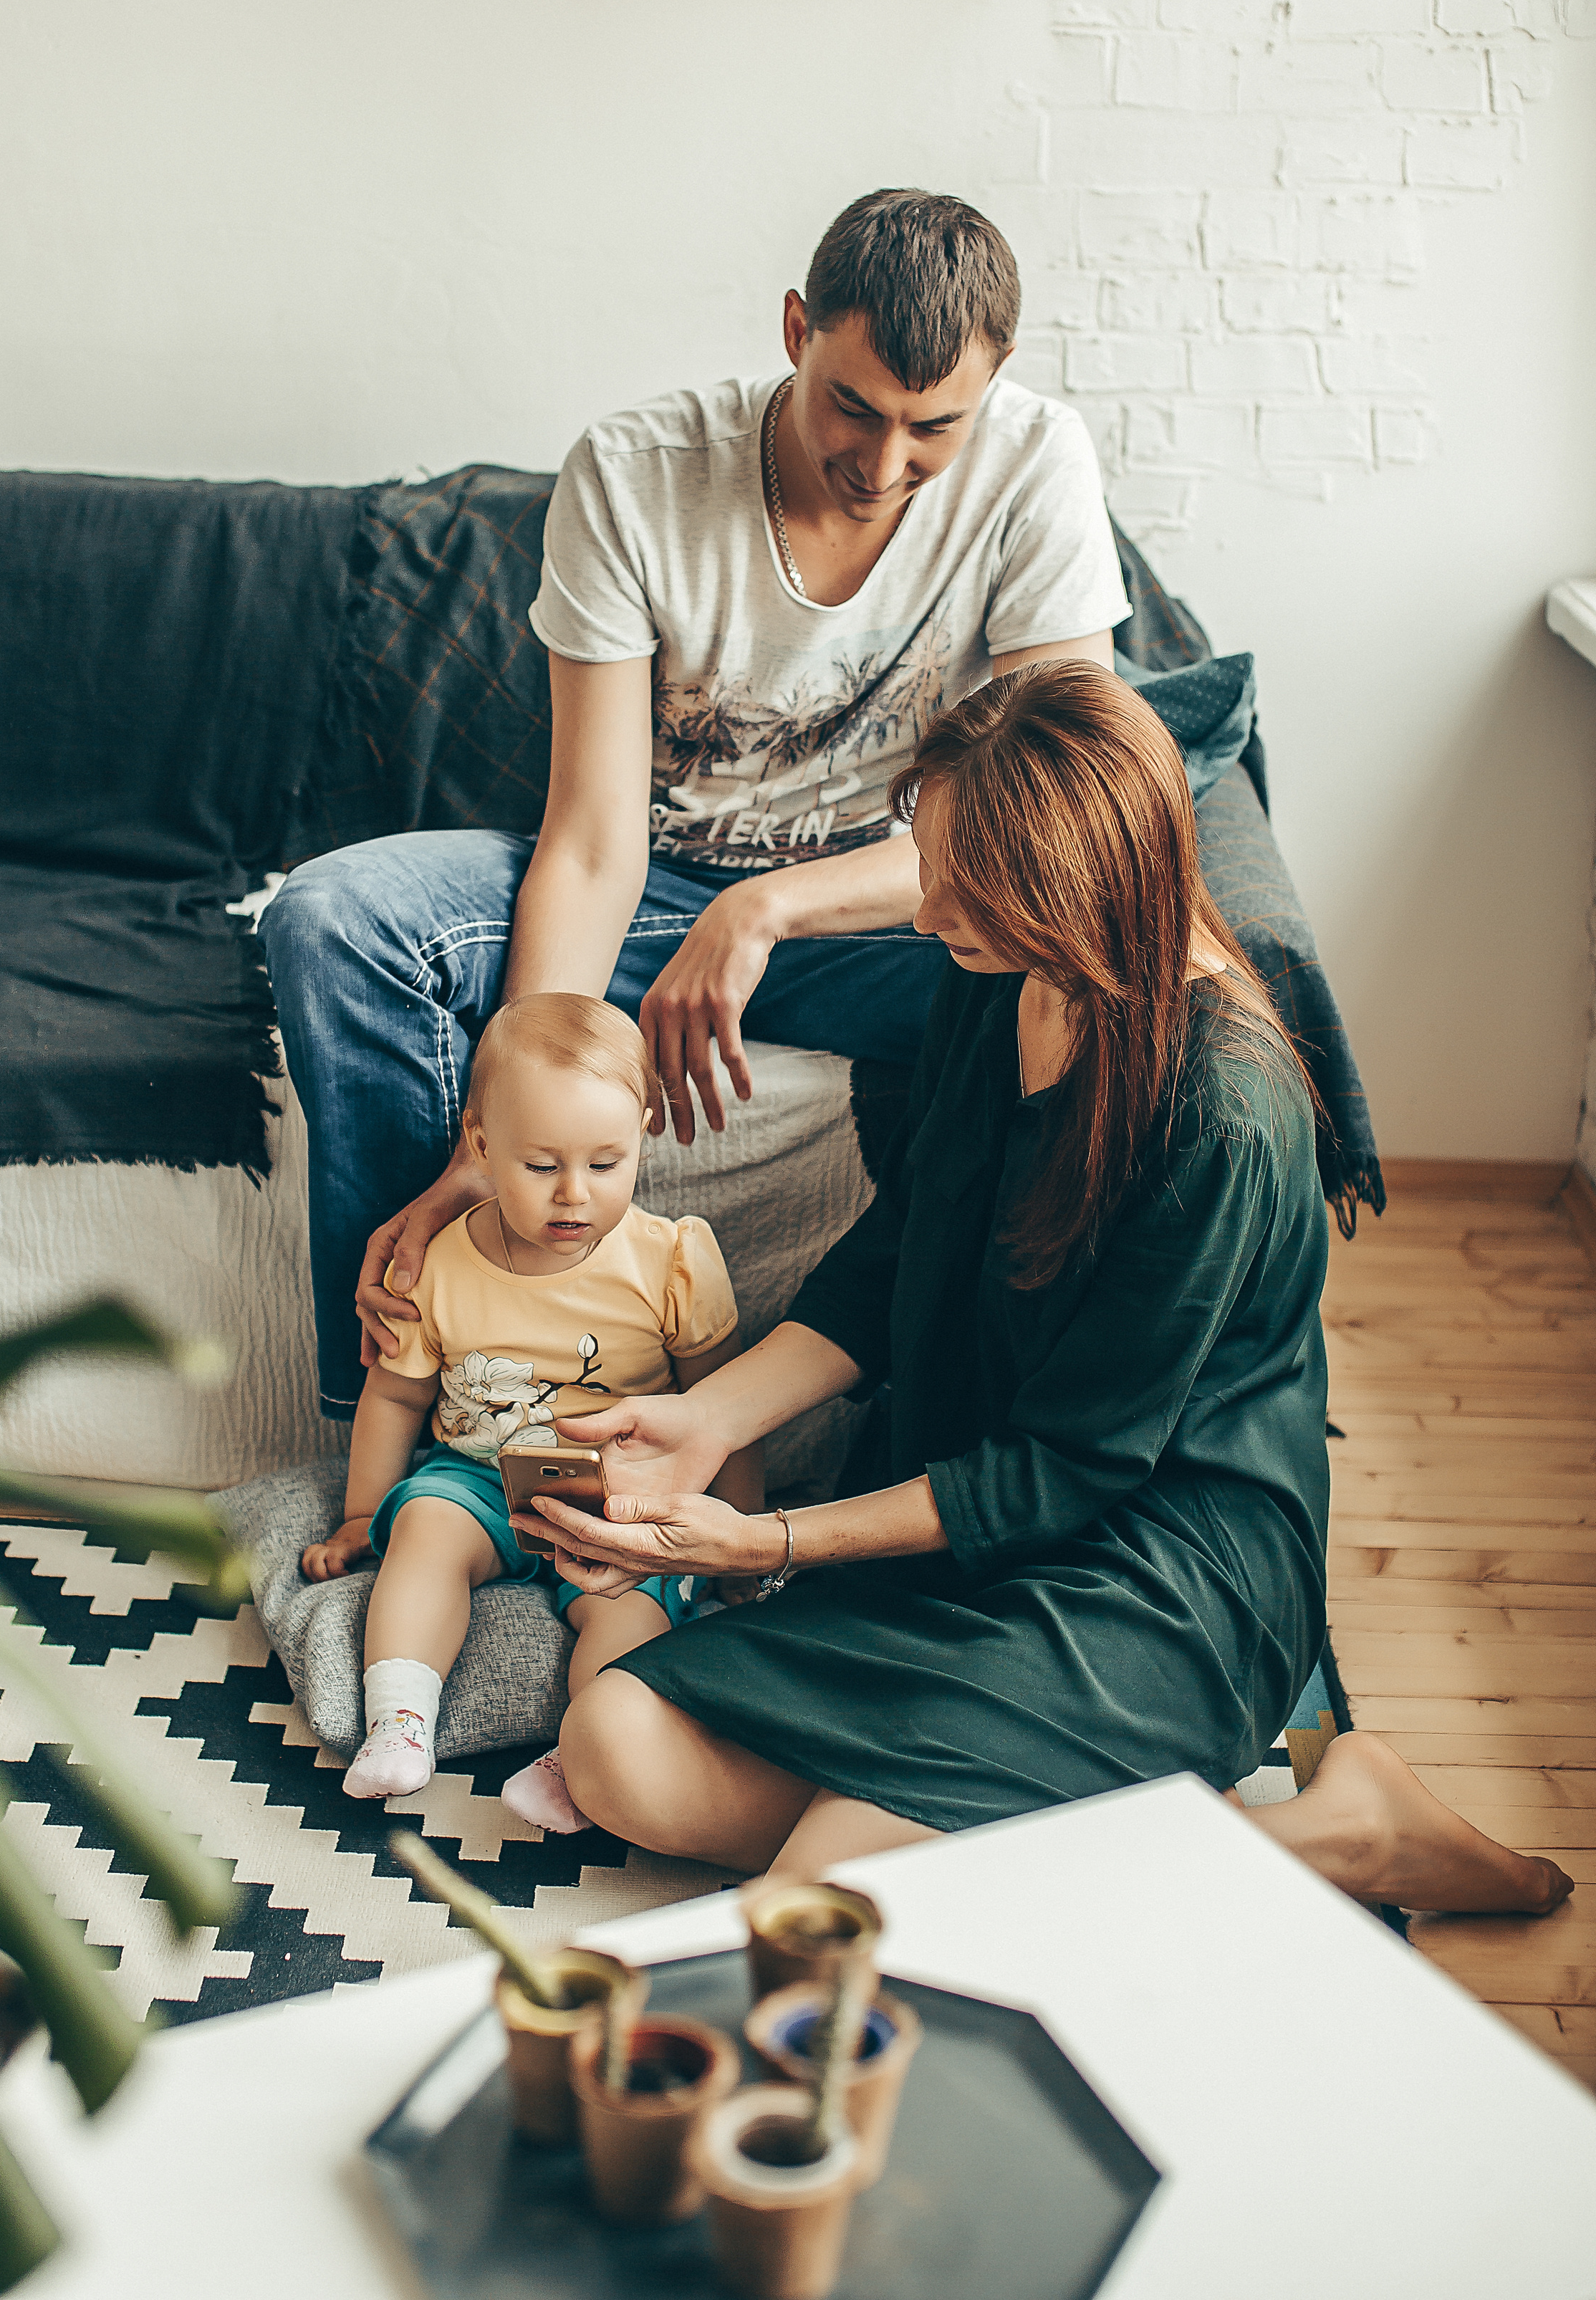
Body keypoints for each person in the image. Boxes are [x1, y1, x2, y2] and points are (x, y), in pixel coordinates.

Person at [525, 669, 1574, 1924]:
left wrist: (771, 1542)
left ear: (1079, 880)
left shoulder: (1223, 1113)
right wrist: (711, 1420)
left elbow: (1070, 1469)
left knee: (825, 1892)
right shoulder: (998, 972)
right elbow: (901, 1249)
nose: (929, 912)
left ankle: (1346, 1832)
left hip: (1158, 1570)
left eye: (969, 884)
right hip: (968, 1511)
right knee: (617, 1749)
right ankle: (1020, 1820)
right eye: (934, 863)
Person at [259, 188, 1132, 1419]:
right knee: (333, 918)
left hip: (903, 909)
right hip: (654, 889)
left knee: (1094, 960)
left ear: (995, 381)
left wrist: (768, 909)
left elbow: (1053, 830)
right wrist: (488, 1145)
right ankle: (391, 1433)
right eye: (853, 408)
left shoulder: (1036, 464)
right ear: (796, 332)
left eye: (934, 427)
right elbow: (593, 840)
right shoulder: (634, 475)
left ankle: (971, 1440)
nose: (886, 466)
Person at [297, 992, 748, 1831]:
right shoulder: (438, 1262)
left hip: (620, 1491)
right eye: (540, 1167)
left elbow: (725, 1407)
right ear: (480, 1144)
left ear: (644, 1131)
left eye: (605, 1164)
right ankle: (399, 1719)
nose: (573, 1196)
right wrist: (364, 1514)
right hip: (476, 1474)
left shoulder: (673, 1260)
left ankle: (579, 1757)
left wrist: (740, 1531)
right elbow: (396, 1394)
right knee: (423, 1537)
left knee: (630, 1610)